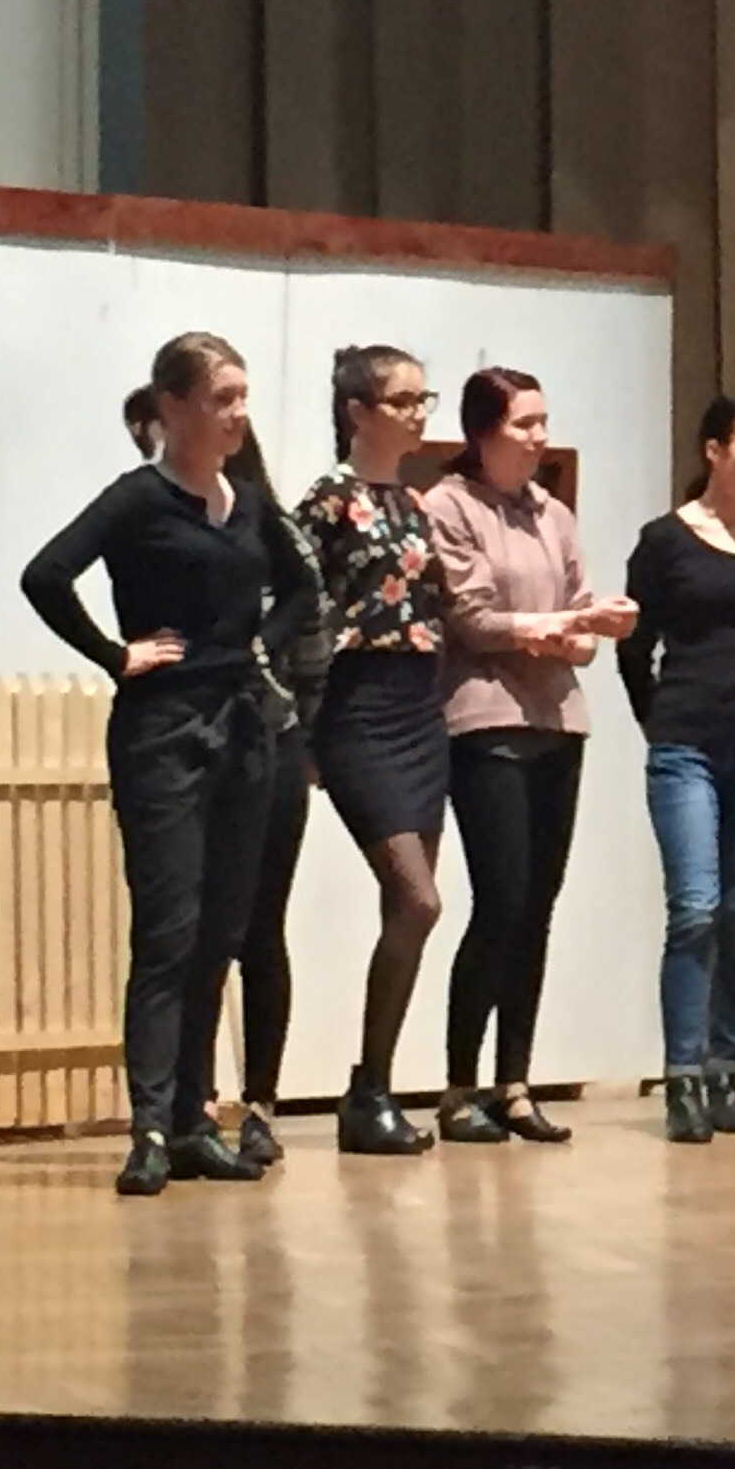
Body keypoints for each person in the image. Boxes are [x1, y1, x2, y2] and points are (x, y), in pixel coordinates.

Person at [21, 332, 314, 1196]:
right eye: (222, 398)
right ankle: (149, 1124)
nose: (237, 413)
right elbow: (46, 575)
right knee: (168, 932)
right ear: (174, 406)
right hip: (164, 727)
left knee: (222, 931)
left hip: (244, 727)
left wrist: (261, 645)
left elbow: (304, 588)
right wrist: (115, 654)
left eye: (243, 396)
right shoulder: (139, 499)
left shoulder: (247, 502)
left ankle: (194, 1120)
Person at [425, 368, 636, 1146]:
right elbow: (472, 620)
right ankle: (459, 1085)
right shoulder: (449, 505)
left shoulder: (553, 510)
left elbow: (578, 619)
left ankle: (514, 1081)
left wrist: (592, 626)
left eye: (544, 422)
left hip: (557, 722)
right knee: (501, 902)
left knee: (538, 907)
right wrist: (546, 629)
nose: (539, 437)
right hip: (486, 723)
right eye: (524, 424)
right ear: (484, 431)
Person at [123, 390, 326, 1171]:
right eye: (145, 439)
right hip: (189, 728)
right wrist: (121, 652)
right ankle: (184, 1111)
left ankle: (259, 1106)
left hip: (270, 735)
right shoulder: (158, 515)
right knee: (180, 931)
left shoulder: (263, 515)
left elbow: (312, 609)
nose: (157, 452)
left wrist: (289, 692)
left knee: (252, 929)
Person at [291, 346, 459, 1156]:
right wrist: (304, 724)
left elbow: (441, 607)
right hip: (356, 707)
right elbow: (294, 610)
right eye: (403, 401)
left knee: (408, 913)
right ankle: (366, 1087)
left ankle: (374, 1090)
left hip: (419, 706)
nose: (419, 414)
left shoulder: (416, 503)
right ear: (358, 411)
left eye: (425, 399)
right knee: (419, 898)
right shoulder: (327, 501)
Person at [621, 397, 735, 1145]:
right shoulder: (663, 541)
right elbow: (635, 646)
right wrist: (663, 722)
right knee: (693, 909)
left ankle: (726, 1069)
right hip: (685, 747)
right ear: (714, 451)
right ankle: (683, 1078)